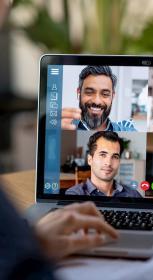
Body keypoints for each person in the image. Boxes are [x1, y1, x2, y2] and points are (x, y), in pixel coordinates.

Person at [0, 2, 118, 278]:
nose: (98, 101)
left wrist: (34, 241)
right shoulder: (72, 190)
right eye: (91, 92)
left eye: (105, 94)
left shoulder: (128, 189)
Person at [66, 131, 142, 197]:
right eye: (103, 155)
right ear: (90, 160)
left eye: (115, 157)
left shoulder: (133, 195)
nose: (108, 163)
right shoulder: (74, 195)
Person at [62, 65, 136, 131]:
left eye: (105, 94)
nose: (97, 101)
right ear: (79, 93)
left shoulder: (130, 133)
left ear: (112, 97)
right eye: (89, 92)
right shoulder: (62, 128)